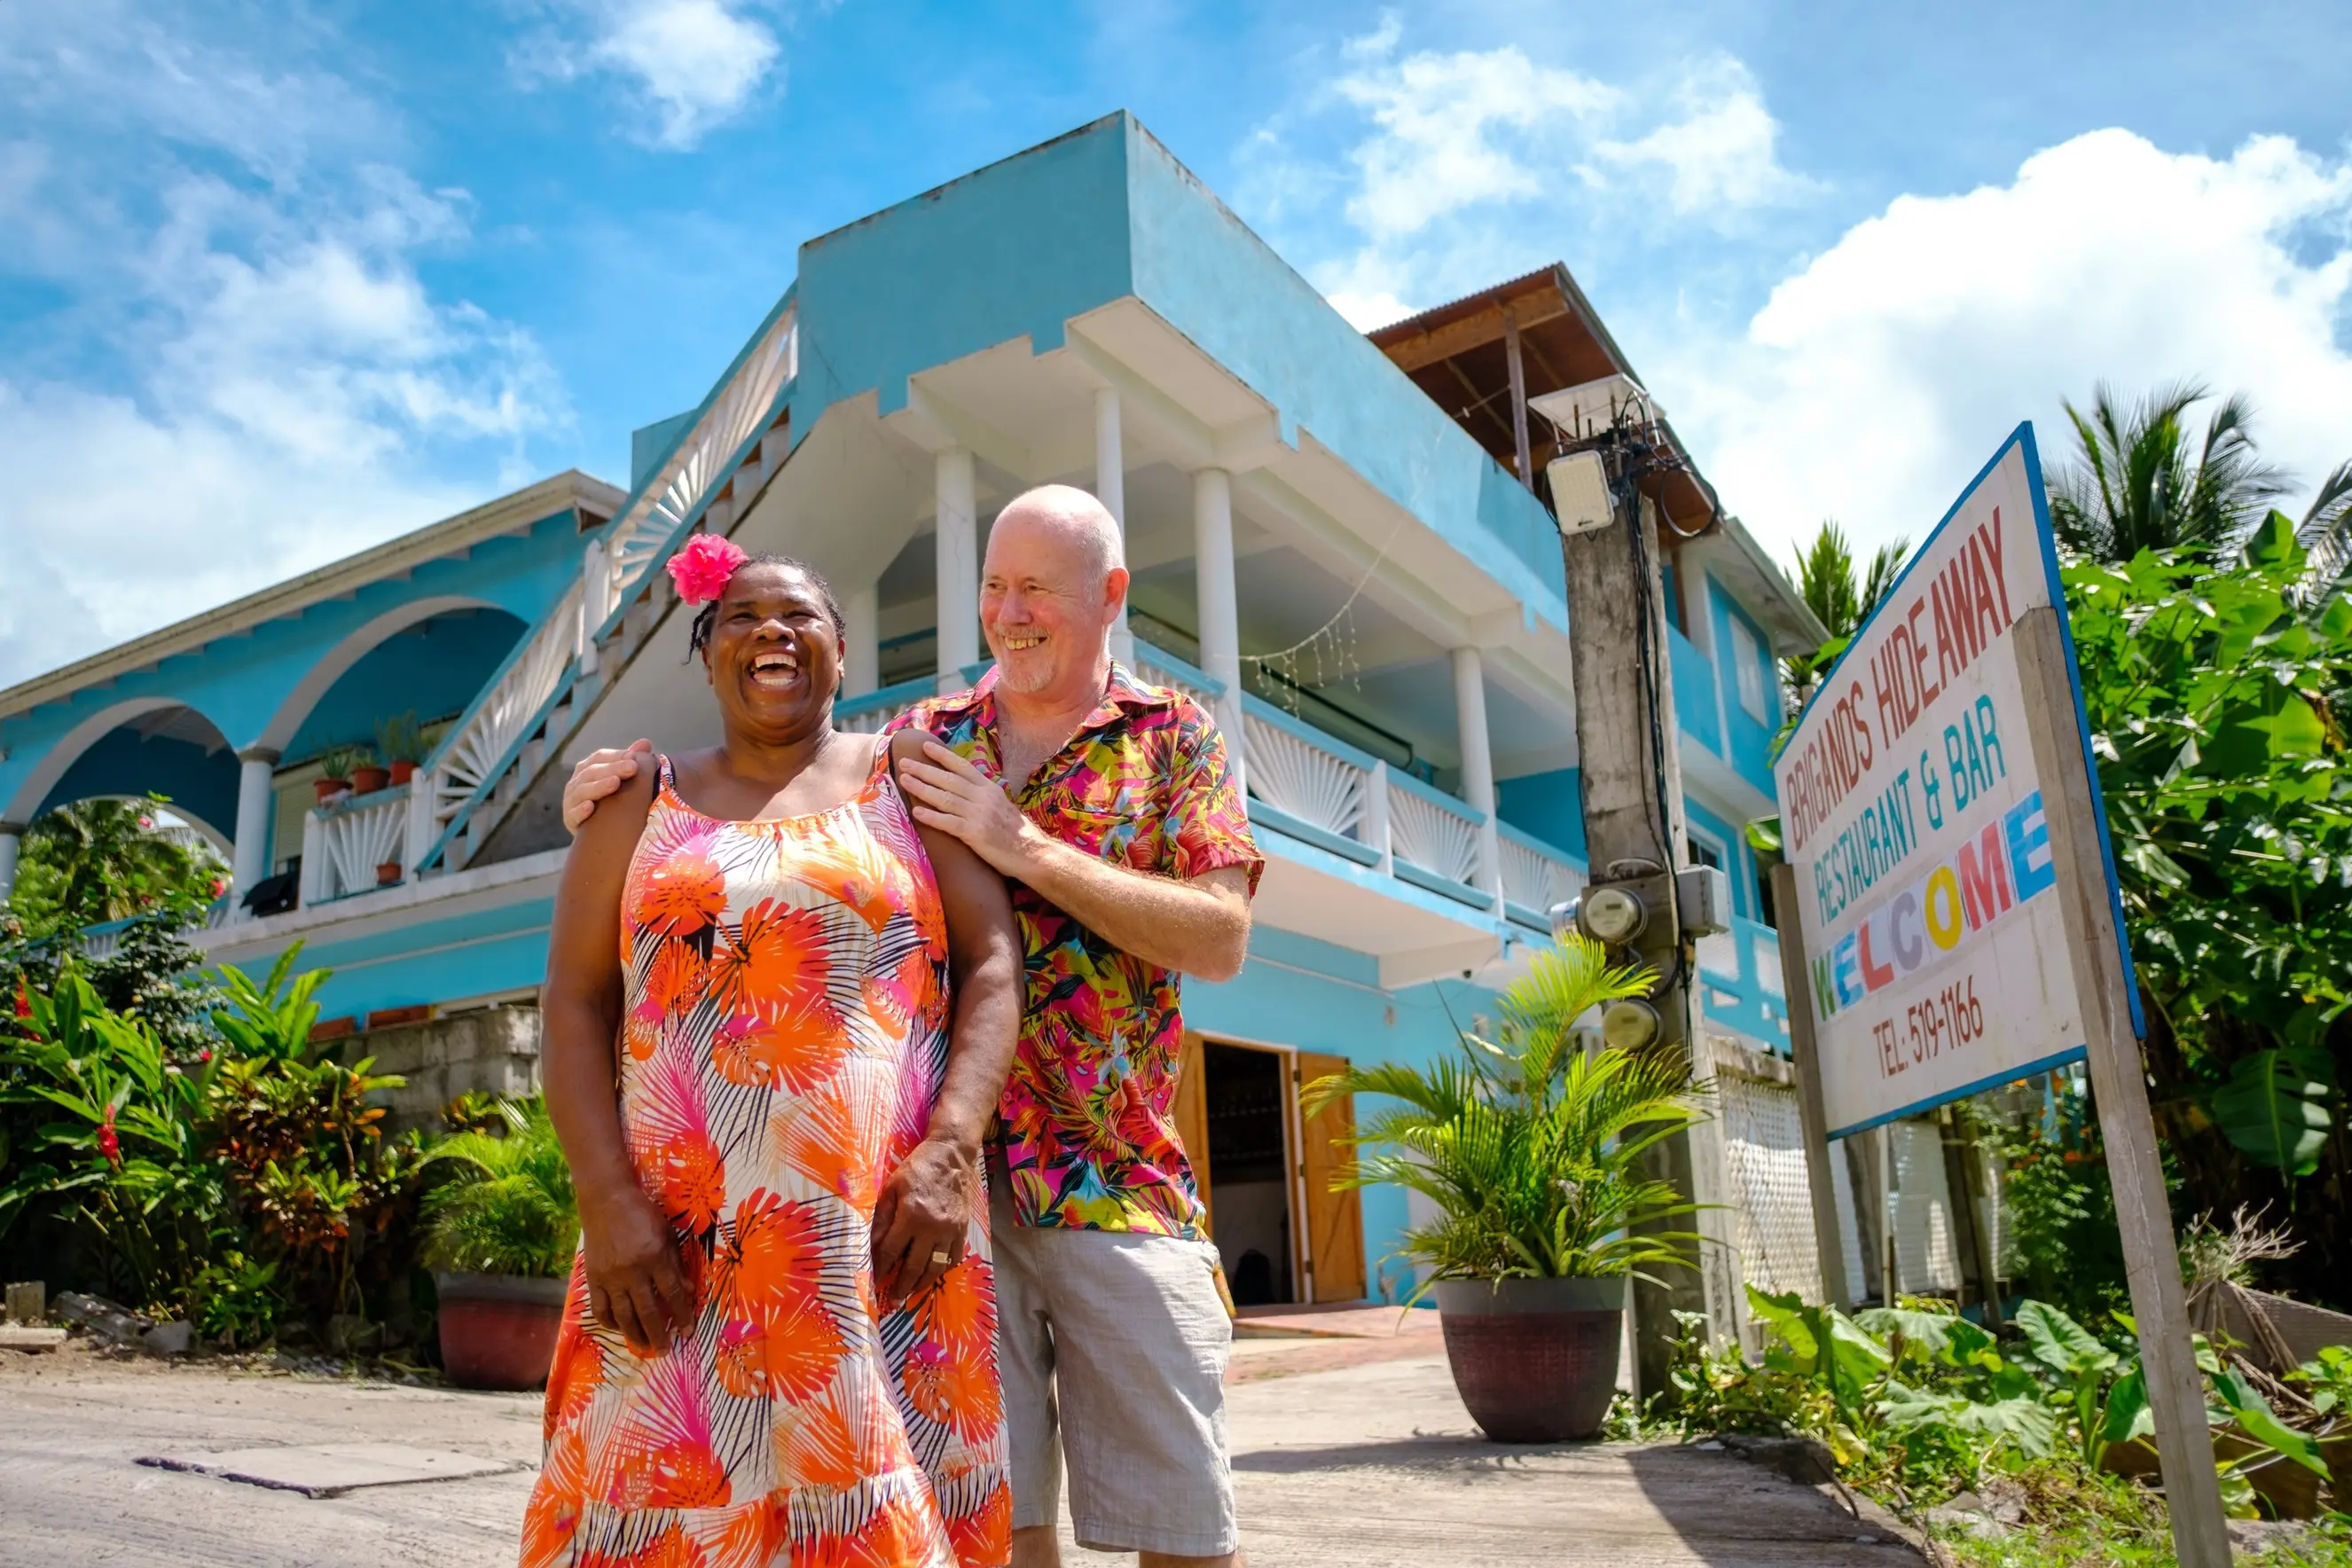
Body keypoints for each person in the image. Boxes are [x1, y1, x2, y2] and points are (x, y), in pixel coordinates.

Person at [562, 485, 1263, 1568]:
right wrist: (611, 786)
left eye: (1038, 587)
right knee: (988, 1513)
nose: (1010, 609)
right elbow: (781, 783)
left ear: (1109, 593)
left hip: (1108, 1175)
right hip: (924, 1210)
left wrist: (1023, 844)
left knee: (1178, 1520)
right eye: (994, 585)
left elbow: (1219, 940)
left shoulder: (1176, 739)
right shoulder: (921, 742)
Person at [527, 534, 1023, 1568]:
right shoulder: (636, 801)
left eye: (799, 614)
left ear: (841, 651)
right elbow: (574, 1004)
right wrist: (605, 1201)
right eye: (743, 616)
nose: (772, 632)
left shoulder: (910, 779)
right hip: (666, 1250)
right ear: (708, 653)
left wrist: (951, 1149)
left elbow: (990, 964)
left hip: (883, 1239)